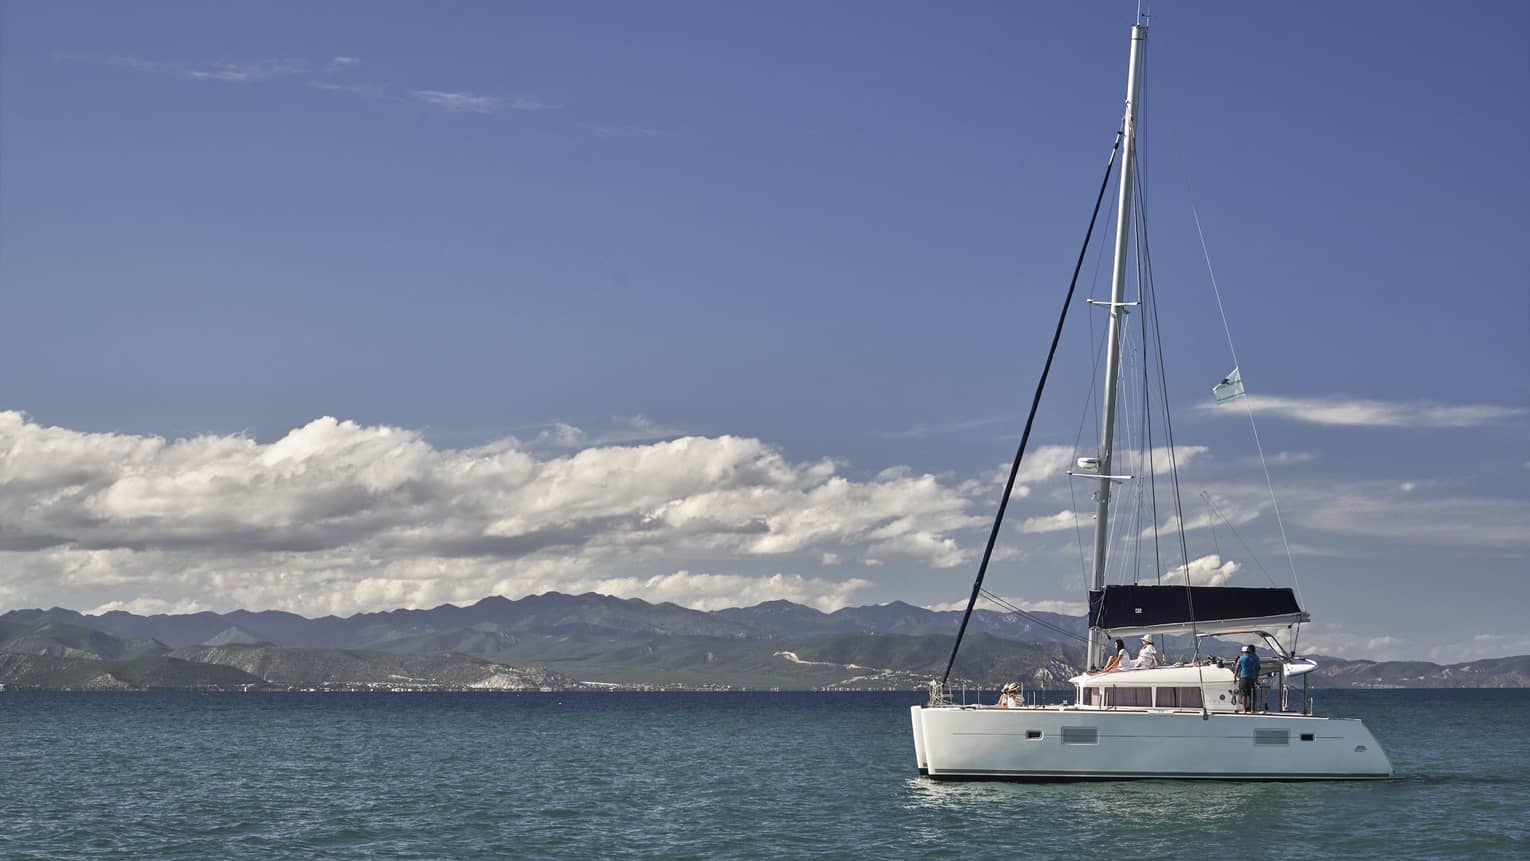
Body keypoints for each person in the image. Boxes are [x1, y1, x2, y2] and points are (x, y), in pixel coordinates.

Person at [1235, 644, 1261, 714]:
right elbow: (1257, 668)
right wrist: (1256, 679)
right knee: (1252, 695)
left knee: (1244, 695)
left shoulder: (1241, 658)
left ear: (1243, 652)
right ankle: (1252, 709)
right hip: (1251, 678)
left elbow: (1237, 668)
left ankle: (1244, 710)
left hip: (1243, 678)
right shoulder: (1254, 658)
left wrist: (1235, 677)